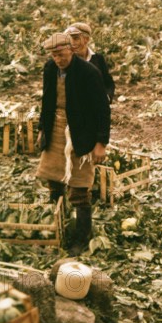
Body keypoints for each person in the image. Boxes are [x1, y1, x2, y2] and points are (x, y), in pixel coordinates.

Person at [36, 33, 110, 255]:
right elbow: (46, 100)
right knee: (54, 182)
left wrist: (101, 143)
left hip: (81, 133)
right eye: (54, 55)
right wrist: (42, 129)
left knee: (79, 189)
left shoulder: (88, 72)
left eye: (61, 54)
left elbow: (103, 110)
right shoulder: (50, 69)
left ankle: (81, 238)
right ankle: (58, 227)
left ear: (71, 49)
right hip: (56, 129)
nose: (58, 59)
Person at [64, 22, 116, 103]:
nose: (71, 42)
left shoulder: (98, 59)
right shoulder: (66, 61)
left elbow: (108, 83)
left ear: (86, 39)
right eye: (69, 39)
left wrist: (107, 97)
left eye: (75, 38)